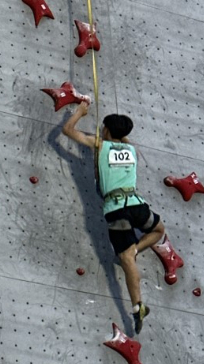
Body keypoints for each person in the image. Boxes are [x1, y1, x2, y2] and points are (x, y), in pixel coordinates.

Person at [63, 103, 164, 333]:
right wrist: (114, 132)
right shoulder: (130, 150)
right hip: (137, 204)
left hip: (116, 208)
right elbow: (123, 139)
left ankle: (137, 297)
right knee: (158, 231)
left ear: (107, 130)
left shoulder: (100, 146)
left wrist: (80, 112)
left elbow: (68, 130)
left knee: (127, 259)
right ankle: (134, 254)